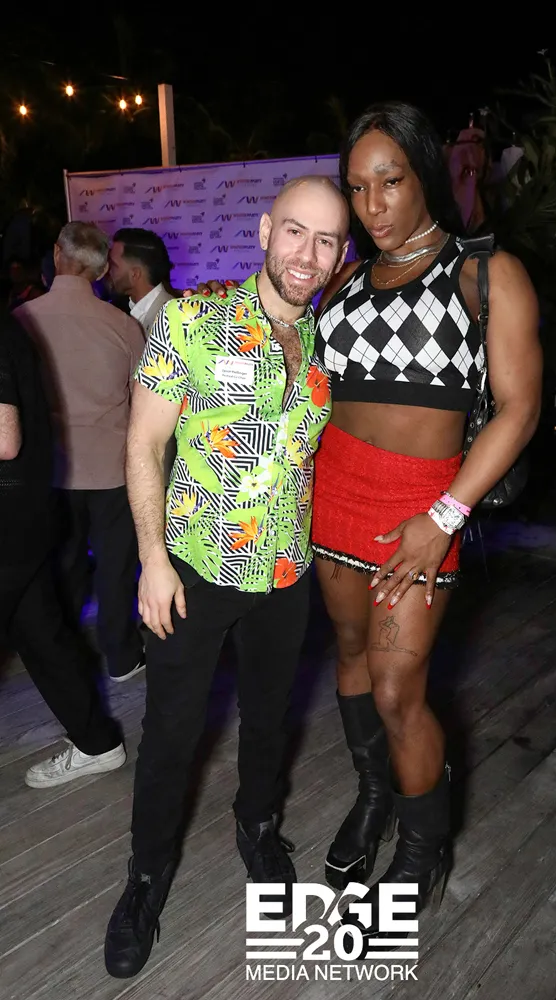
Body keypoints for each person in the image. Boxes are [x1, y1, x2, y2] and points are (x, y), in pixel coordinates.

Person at [103, 175, 350, 979]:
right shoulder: (191, 321)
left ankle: (258, 827)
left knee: (271, 719)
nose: (308, 254)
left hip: (285, 573)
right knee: (172, 734)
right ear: (266, 231)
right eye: (296, 232)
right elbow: (144, 444)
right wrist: (151, 560)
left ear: (339, 254)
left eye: (326, 240)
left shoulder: (325, 344)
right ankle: (146, 877)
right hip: (193, 569)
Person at [311, 102, 542, 938]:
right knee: (349, 657)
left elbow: (519, 409)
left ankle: (421, 851)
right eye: (356, 187)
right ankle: (374, 794)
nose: (371, 205)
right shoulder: (343, 279)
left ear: (424, 175)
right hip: (333, 498)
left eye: (390, 181)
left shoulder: (485, 273)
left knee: (398, 688)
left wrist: (443, 517)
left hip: (420, 511)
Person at [14, 222, 147, 683]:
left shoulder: (22, 321)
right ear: (102, 270)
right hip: (112, 468)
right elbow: (140, 400)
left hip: (51, 469)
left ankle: (64, 656)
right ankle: (121, 656)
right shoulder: (124, 326)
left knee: (61, 566)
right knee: (115, 568)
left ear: (57, 254)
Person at [0, 310, 126, 787]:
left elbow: (4, 439)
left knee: (42, 633)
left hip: (9, 520)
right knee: (40, 633)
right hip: (24, 516)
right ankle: (98, 742)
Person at [108, 229, 174, 334]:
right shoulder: (116, 311)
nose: (109, 270)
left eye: (114, 266)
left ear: (135, 274)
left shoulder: (172, 318)